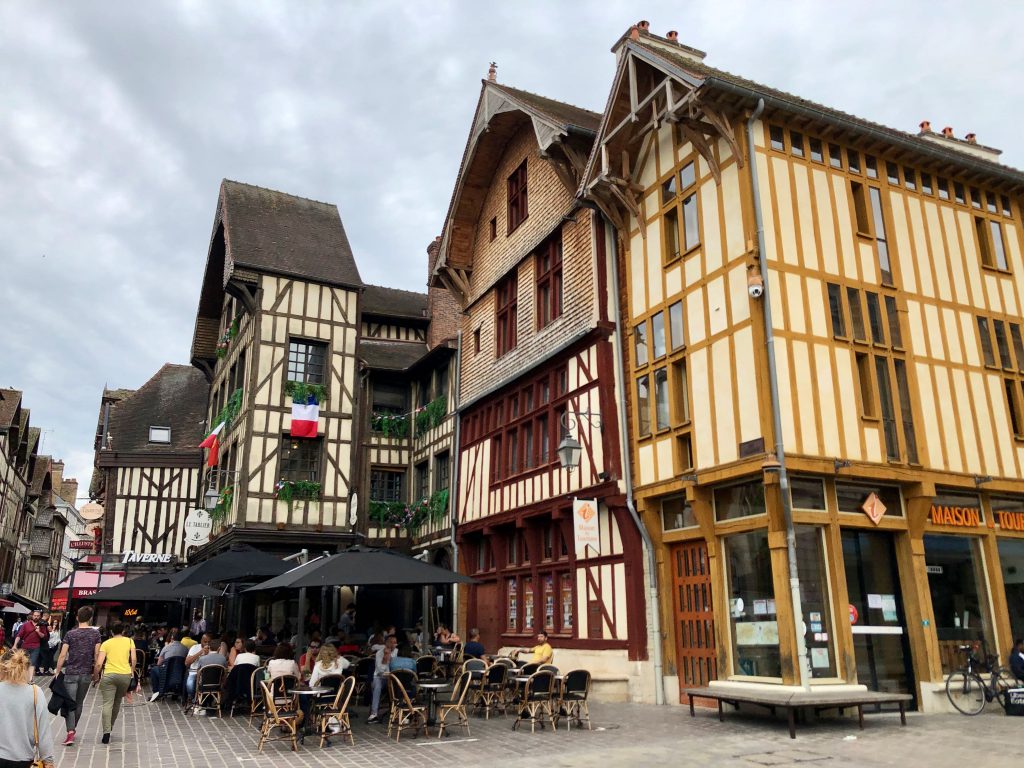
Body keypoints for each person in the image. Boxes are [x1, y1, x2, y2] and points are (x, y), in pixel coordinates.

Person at [53, 606, 101, 746]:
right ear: (91, 618)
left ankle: (70, 732)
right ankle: (73, 728)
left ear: (77, 617)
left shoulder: (70, 634)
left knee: (70, 703)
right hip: (86, 673)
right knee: (79, 703)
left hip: (71, 673)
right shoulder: (96, 634)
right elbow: (97, 655)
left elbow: (62, 654)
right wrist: (96, 673)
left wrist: (57, 671)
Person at [0, 649, 56, 768]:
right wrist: (48, 760)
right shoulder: (35, 692)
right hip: (23, 759)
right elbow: (43, 730)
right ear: (26, 668)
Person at [95, 622, 136, 744]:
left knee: (107, 703)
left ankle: (106, 732)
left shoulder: (106, 643)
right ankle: (110, 727)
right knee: (117, 702)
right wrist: (132, 671)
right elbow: (133, 659)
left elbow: (99, 663)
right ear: (123, 631)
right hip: (124, 675)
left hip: (109, 675)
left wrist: (96, 676)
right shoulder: (129, 641)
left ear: (111, 632)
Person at [148, 628, 188, 702]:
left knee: (154, 670)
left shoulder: (166, 647)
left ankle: (156, 692)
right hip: (180, 674)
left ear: (172, 638)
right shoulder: (185, 649)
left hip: (166, 673)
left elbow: (159, 663)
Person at [367, 634, 397, 724]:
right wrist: (385, 658)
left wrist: (390, 658)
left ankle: (400, 712)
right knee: (377, 685)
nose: (393, 645)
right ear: (386, 643)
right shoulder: (379, 653)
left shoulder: (398, 652)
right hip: (381, 677)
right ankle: (374, 713)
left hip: (394, 678)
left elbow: (396, 667)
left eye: (395, 643)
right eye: (391, 642)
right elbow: (380, 670)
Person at [13, 609, 49, 679]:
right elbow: (19, 635)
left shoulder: (42, 626)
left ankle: (30, 679)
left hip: (36, 647)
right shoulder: (26, 625)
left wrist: (38, 632)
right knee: (23, 663)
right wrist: (15, 645)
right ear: (32, 616)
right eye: (35, 615)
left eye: (38, 616)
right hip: (25, 646)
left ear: (40, 617)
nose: (36, 617)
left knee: (32, 663)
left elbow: (44, 637)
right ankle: (22, 678)